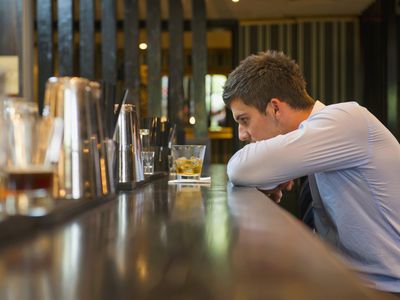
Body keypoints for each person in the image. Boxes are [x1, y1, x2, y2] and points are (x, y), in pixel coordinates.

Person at [223, 50, 400, 294]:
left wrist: (268, 173)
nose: (242, 134)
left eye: (244, 120)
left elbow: (239, 167)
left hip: (384, 289)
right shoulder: (320, 138)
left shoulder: (346, 119)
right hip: (345, 280)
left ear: (275, 108)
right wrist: (271, 177)